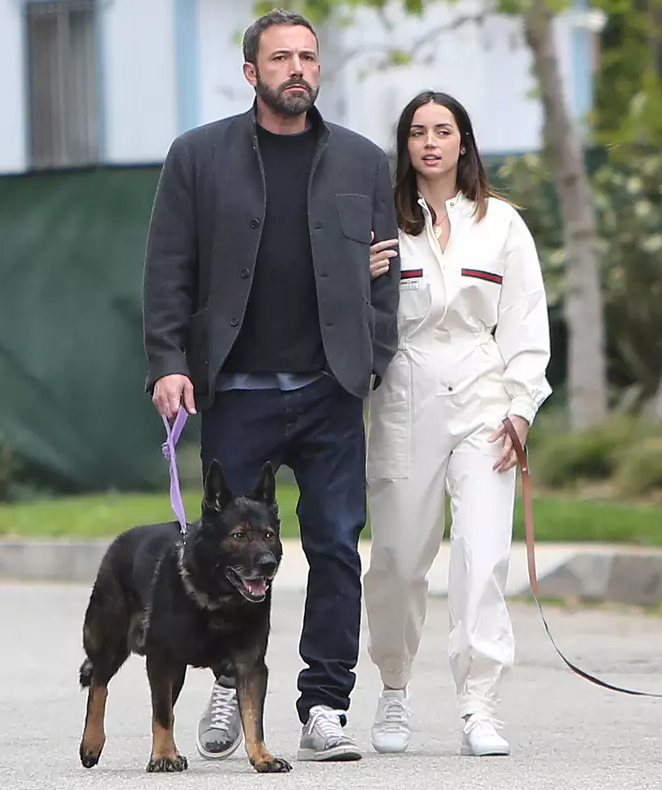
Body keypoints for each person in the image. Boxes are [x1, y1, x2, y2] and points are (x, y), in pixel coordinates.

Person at [142, 8, 400, 763]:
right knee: (225, 552)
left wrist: (373, 357)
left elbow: (386, 277)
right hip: (237, 391)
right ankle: (228, 679)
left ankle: (324, 704)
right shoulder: (197, 156)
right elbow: (167, 270)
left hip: (330, 389)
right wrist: (168, 361)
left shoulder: (359, 161)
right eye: (281, 58)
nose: (298, 69)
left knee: (335, 546)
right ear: (251, 72)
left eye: (308, 58)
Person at [363, 91, 552, 757]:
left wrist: (522, 407)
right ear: (405, 145)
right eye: (418, 132)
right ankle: (393, 688)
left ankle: (478, 701)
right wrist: (366, 278)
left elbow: (526, 321)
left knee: (482, 553)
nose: (431, 143)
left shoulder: (501, 223)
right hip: (404, 395)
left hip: (483, 396)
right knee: (397, 556)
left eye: (444, 131)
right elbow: (347, 315)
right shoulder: (382, 220)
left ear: (465, 142)